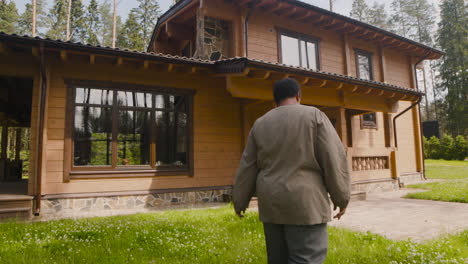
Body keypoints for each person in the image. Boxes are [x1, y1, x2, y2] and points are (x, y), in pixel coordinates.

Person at [232, 78, 350, 264]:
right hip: (305, 204)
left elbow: (248, 165)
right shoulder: (315, 116)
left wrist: (239, 201)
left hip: (271, 203)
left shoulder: (260, 123)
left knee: (277, 259)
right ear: (298, 96)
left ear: (275, 100)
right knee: (306, 259)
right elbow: (333, 158)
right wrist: (341, 197)